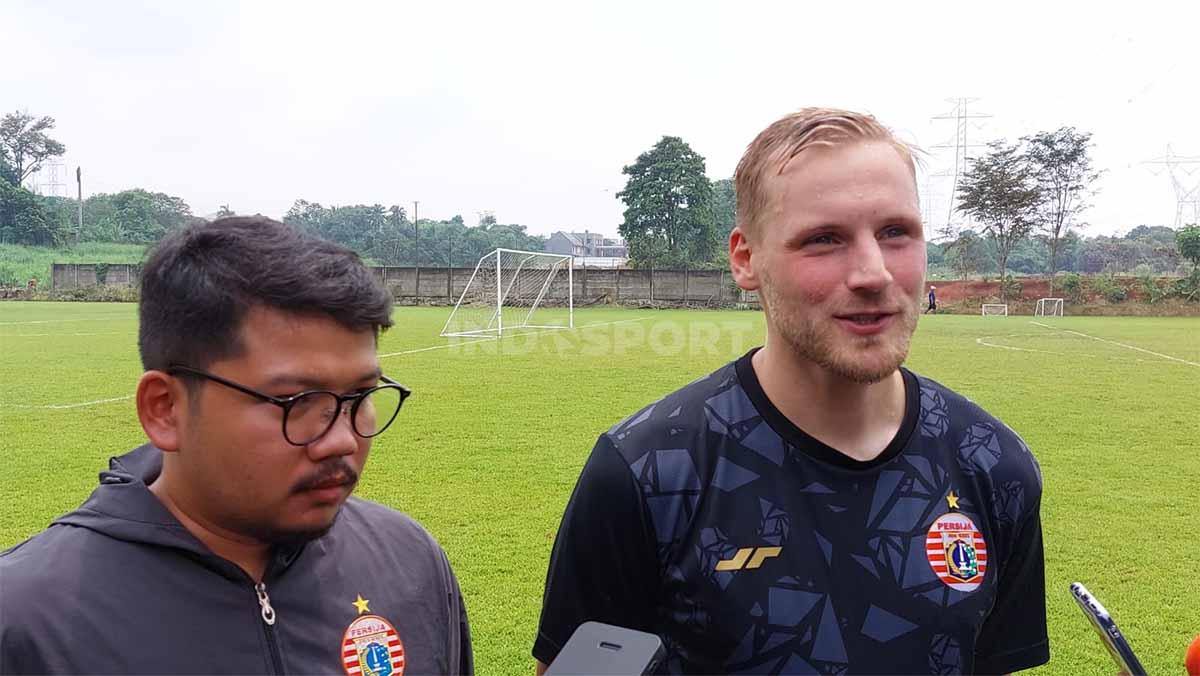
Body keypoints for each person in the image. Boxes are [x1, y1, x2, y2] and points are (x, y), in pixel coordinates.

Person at [534, 108, 1048, 674]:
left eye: (896, 232)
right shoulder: (647, 472)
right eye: (824, 239)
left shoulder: (993, 464)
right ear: (746, 258)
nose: (873, 272)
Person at [1, 216, 473, 674]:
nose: (343, 440)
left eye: (359, 397)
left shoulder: (409, 562)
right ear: (165, 409)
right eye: (296, 401)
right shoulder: (30, 624)